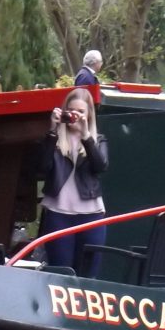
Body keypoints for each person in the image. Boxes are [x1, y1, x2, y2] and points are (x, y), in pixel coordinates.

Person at [36, 88, 109, 275]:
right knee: (61, 273)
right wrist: (52, 131)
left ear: (89, 114)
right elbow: (42, 167)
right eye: (71, 110)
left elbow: (100, 166)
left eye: (81, 112)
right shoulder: (56, 140)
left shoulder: (98, 140)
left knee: (88, 274)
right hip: (58, 213)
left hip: (91, 215)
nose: (75, 115)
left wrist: (86, 136)